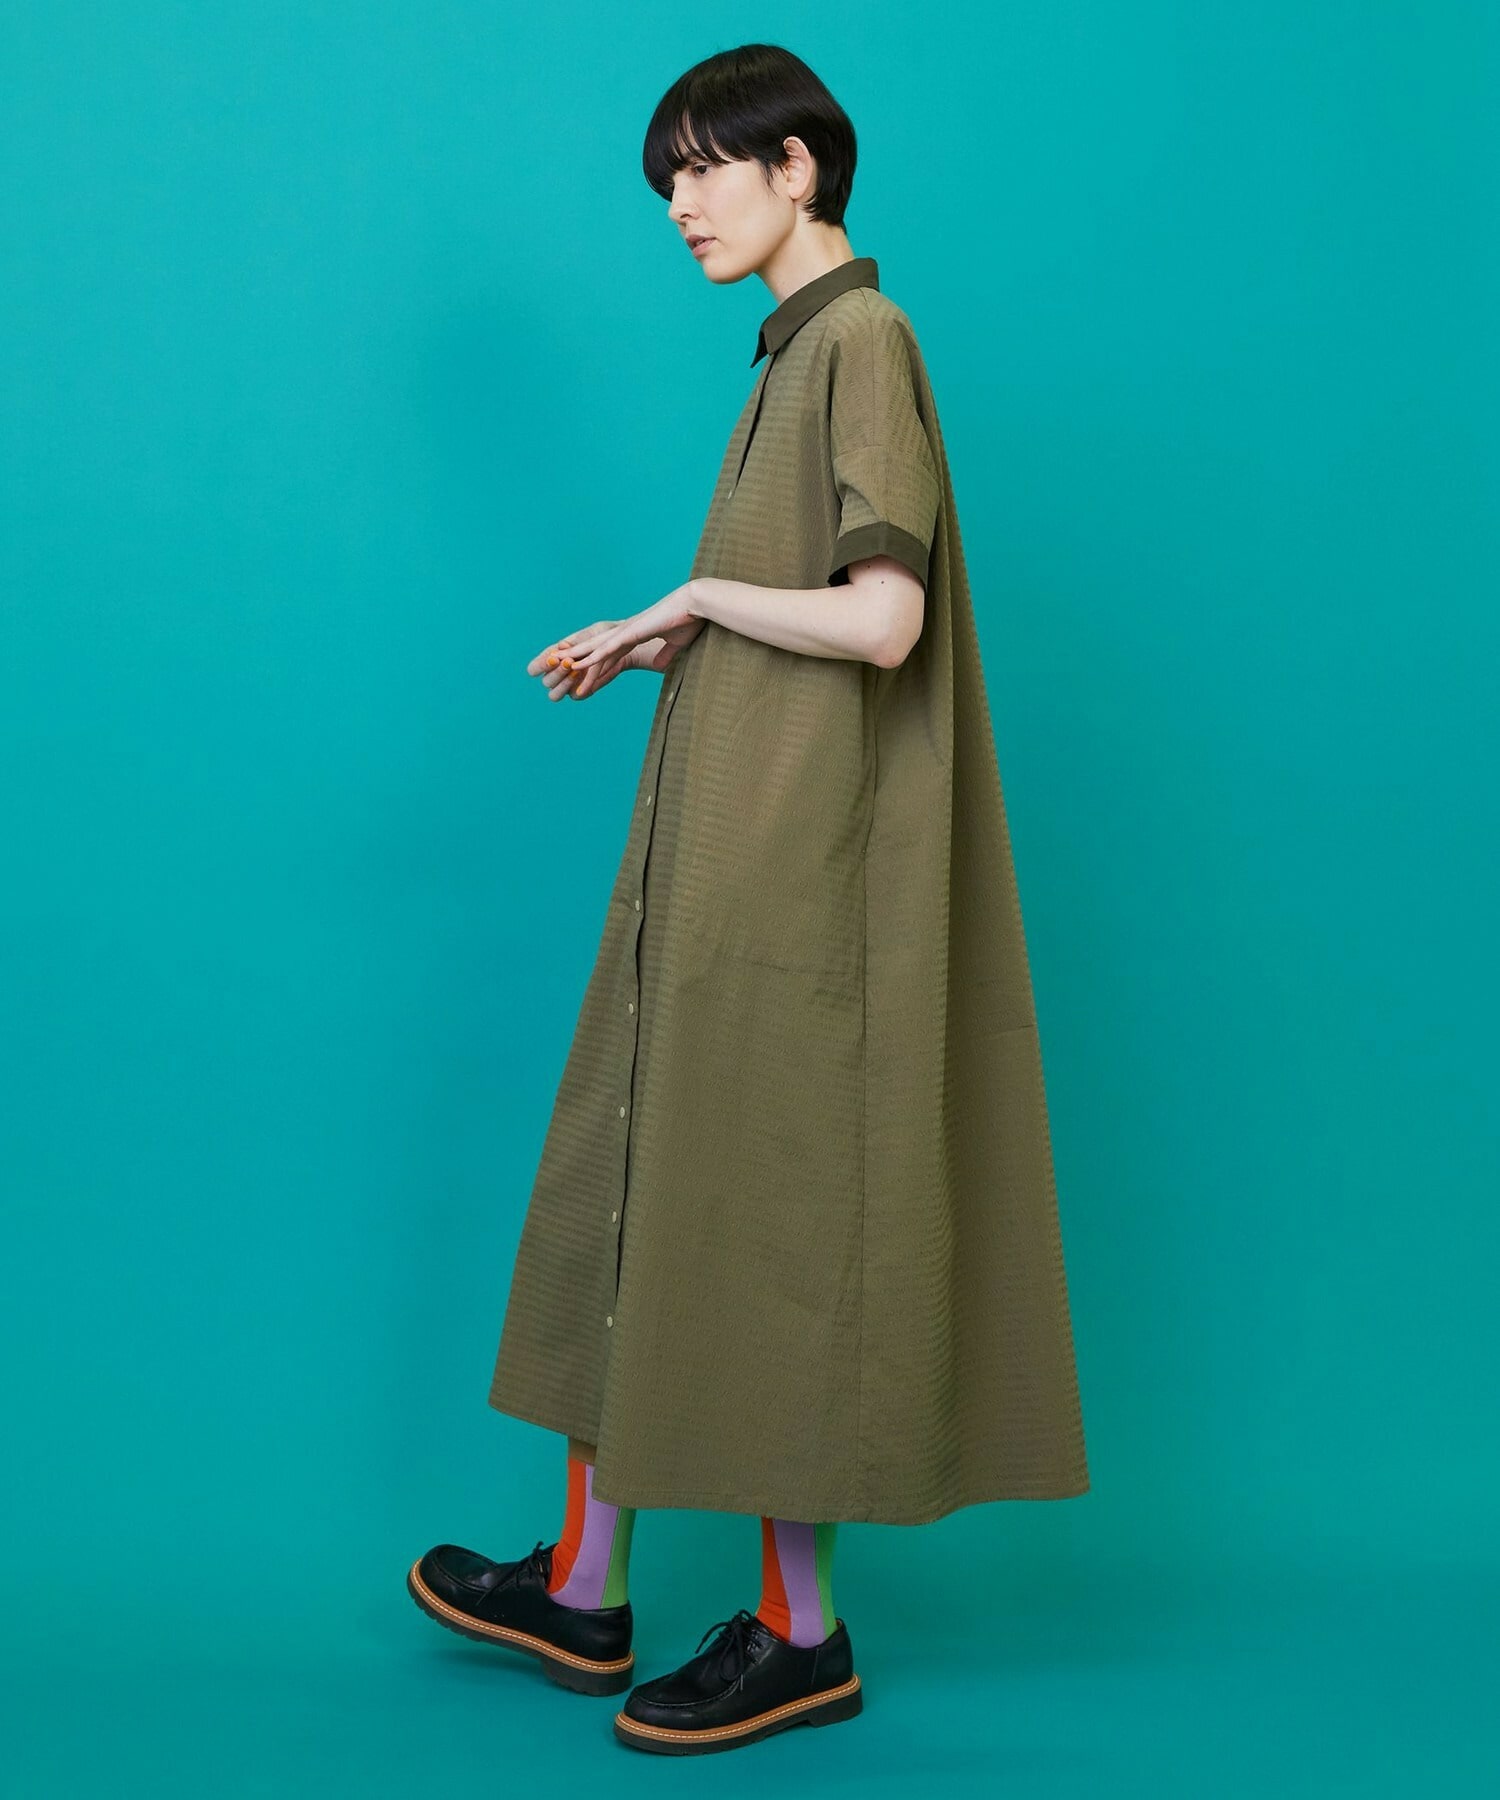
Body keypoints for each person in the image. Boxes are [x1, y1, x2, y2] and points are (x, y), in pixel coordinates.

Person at [408, 42, 1090, 1756]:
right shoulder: (798, 352)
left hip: (801, 883)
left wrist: (699, 593)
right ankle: (584, 1588)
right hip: (732, 866)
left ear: (800, 168)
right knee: (640, 1186)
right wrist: (671, 633)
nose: (682, 206)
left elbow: (883, 621)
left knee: (775, 1223)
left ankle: (803, 1635)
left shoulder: (863, 340)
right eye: (668, 184)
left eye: (708, 168)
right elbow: (816, 611)